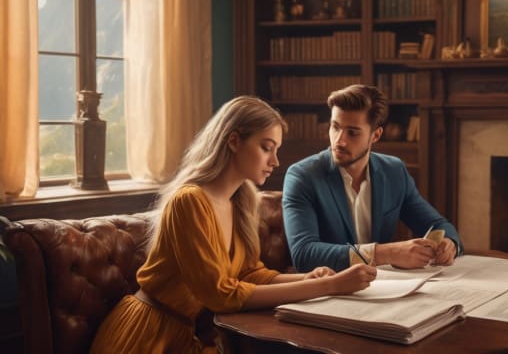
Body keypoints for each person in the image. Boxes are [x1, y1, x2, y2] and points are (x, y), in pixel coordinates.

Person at [90, 96, 376, 353]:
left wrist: (309, 278)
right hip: (144, 336)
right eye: (266, 148)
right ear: (234, 141)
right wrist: (329, 286)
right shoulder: (189, 201)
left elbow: (250, 274)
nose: (275, 161)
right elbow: (221, 294)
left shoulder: (240, 202)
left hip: (185, 335)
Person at [282, 84, 463, 272]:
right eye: (335, 127)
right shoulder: (303, 176)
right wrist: (386, 253)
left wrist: (449, 243)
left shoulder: (394, 171)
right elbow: (304, 254)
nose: (339, 141)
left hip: (383, 287)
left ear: (375, 135)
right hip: (330, 289)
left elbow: (437, 224)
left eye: (352, 132)